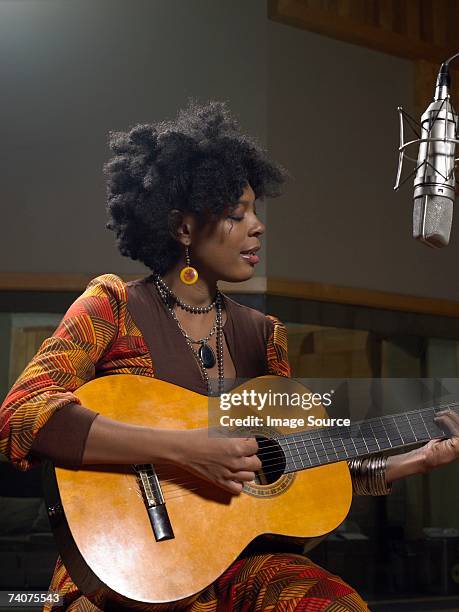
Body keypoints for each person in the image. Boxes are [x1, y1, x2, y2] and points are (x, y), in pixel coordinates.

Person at [1, 100, 459, 612]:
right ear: (181, 227)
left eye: (256, 212)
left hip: (239, 561)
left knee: (335, 605)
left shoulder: (264, 335)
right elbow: (23, 415)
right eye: (236, 214)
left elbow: (296, 471)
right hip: (124, 566)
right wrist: (182, 450)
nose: (258, 227)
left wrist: (412, 460)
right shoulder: (113, 305)